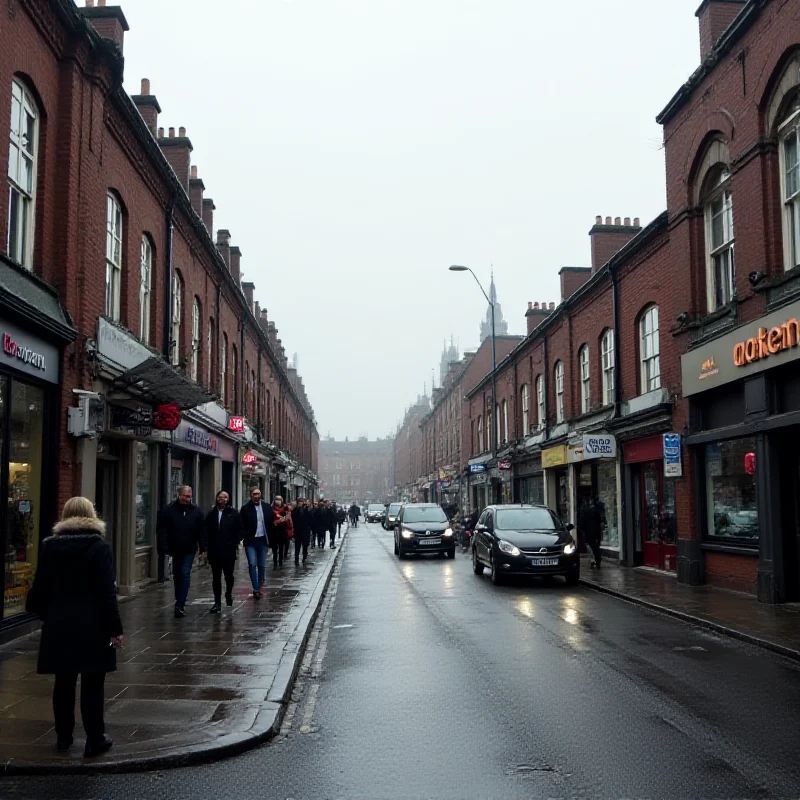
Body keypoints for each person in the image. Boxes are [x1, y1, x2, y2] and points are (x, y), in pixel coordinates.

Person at [26, 497, 123, 758]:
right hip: (94, 626)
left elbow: (37, 593)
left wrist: (50, 614)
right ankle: (95, 739)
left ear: (65, 515)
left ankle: (63, 737)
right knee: (93, 683)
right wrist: (115, 628)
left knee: (63, 683)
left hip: (59, 624)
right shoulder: (98, 547)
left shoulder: (50, 547)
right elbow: (106, 594)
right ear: (92, 515)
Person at [157, 485, 206, 618]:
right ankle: (179, 598)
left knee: (185, 573)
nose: (187, 498)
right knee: (177, 575)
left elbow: (201, 531)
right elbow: (162, 530)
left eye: (189, 496)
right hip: (174, 548)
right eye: (185, 496)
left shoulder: (196, 511)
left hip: (190, 548)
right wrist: (164, 546)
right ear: (178, 495)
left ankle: (180, 604)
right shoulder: (169, 510)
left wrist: (203, 548)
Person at [205, 490, 244, 613]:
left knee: (229, 575)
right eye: (221, 497)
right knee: (216, 576)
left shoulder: (233, 513)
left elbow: (241, 530)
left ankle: (228, 593)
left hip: (229, 550)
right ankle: (217, 602)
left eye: (226, 497)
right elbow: (206, 532)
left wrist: (234, 541)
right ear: (217, 498)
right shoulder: (211, 515)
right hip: (214, 550)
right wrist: (205, 548)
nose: (223, 499)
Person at [240, 487, 274, 597]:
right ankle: (255, 588)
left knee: (262, 565)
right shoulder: (245, 509)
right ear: (251, 495)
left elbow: (271, 523)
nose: (257, 496)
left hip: (263, 540)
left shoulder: (267, 507)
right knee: (252, 563)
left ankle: (259, 586)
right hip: (251, 541)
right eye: (254, 494)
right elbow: (241, 524)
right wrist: (244, 535)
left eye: (259, 493)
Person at [578, 496, 603, 568]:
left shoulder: (585, 512)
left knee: (590, 546)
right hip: (596, 532)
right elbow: (600, 522)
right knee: (595, 546)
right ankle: (597, 559)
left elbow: (581, 523)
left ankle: (594, 560)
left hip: (588, 532)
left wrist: (581, 530)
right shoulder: (596, 512)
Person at [272, 496, 292, 567]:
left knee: (281, 548)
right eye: (276, 500)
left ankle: (280, 562)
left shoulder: (286, 509)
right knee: (274, 549)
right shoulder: (272, 509)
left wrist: (283, 520)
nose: (278, 501)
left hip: (283, 531)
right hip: (274, 532)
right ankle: (275, 563)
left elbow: (289, 520)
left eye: (279, 500)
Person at [292, 499, 312, 565]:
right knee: (297, 546)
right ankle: (296, 559)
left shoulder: (306, 510)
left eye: (301, 503)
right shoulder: (295, 511)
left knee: (305, 546)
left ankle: (304, 557)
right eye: (299, 503)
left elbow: (310, 519)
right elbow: (293, 518)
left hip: (305, 531)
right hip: (298, 531)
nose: (300, 504)